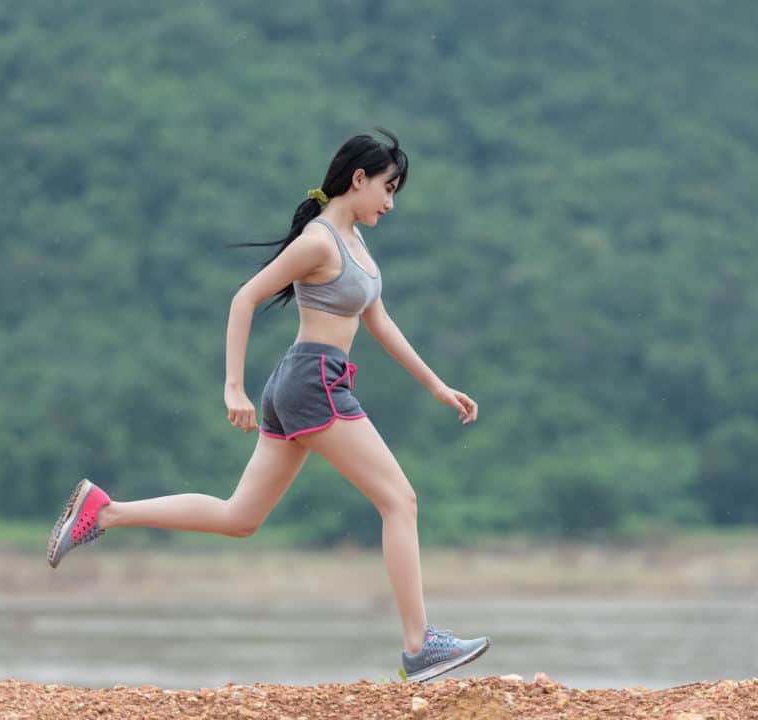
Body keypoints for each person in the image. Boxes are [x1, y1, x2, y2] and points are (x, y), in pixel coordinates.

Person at [47, 129, 490, 681]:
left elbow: (378, 321)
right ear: (359, 179)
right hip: (313, 384)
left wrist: (435, 385)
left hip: (302, 384)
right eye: (387, 188)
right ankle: (420, 646)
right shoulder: (320, 241)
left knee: (240, 518)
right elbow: (245, 297)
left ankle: (105, 512)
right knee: (400, 501)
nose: (391, 201)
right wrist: (233, 387)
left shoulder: (354, 243)